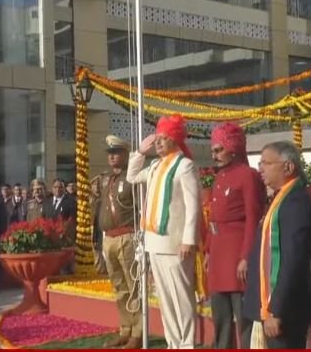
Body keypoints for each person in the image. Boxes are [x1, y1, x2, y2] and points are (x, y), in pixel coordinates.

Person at [127, 114, 200, 349]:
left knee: (182, 298)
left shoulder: (185, 166)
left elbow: (193, 206)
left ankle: (187, 344)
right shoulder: (155, 165)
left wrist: (188, 240)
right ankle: (173, 343)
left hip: (176, 244)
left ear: (175, 140)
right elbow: (131, 177)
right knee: (166, 300)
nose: (157, 142)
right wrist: (140, 152)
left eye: (163, 138)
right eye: (157, 138)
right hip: (154, 243)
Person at [243, 141, 311, 349]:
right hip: (273, 306)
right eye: (260, 163)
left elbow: (292, 261)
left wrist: (276, 310)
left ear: (288, 167)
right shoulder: (281, 198)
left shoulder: (296, 202)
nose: (260, 169)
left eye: (266, 163)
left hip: (284, 310)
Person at [207, 123, 263, 349]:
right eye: (213, 150)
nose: (215, 155)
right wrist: (209, 250)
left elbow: (253, 218)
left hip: (237, 252)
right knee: (220, 313)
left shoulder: (247, 175)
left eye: (219, 149)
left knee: (243, 316)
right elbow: (213, 218)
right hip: (219, 252)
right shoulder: (220, 176)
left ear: (234, 148)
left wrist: (245, 256)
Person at [94, 135, 141, 348]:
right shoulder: (105, 180)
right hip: (109, 238)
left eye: (116, 153)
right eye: (110, 153)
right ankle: (125, 328)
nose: (112, 156)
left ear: (124, 154)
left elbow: (141, 208)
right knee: (119, 286)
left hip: (127, 236)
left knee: (133, 287)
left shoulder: (131, 177)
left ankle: (138, 333)